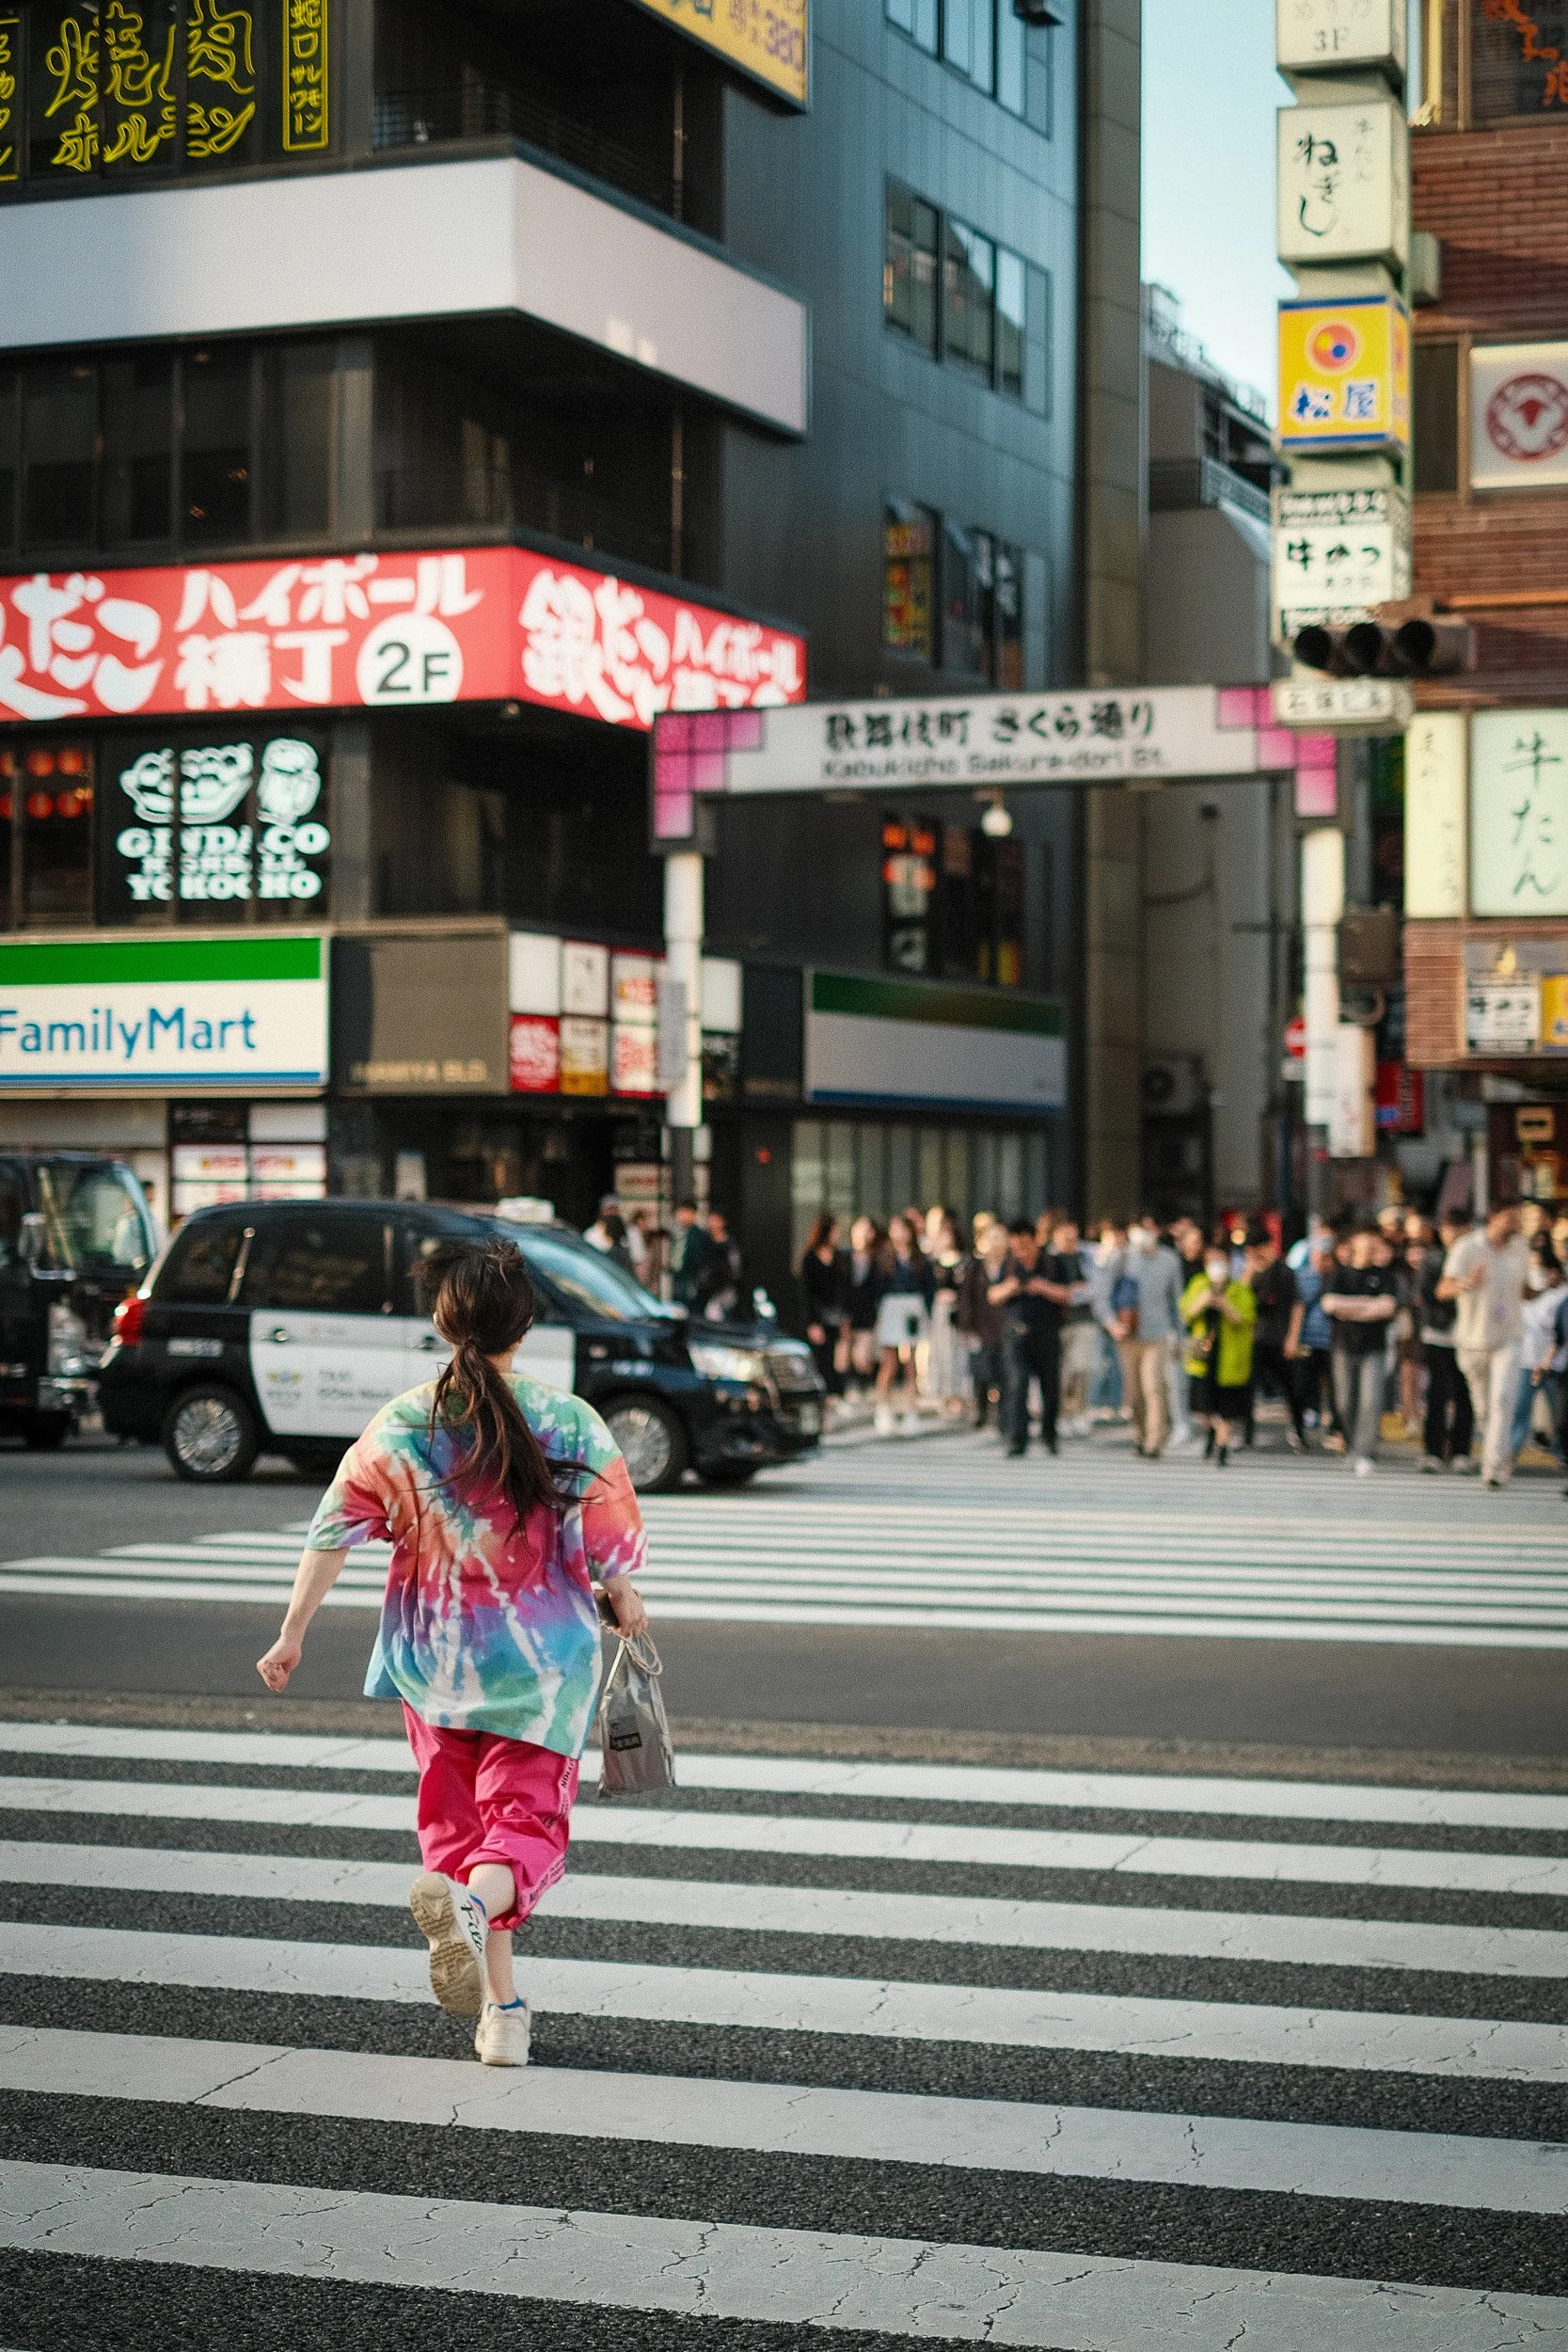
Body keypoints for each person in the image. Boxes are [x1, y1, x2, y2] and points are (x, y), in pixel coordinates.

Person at [256, 1237, 648, 2070]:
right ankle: (484, 1950)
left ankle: (502, 2013)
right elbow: (611, 1553)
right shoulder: (569, 1421)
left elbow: (332, 1531)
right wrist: (625, 1603)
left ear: (442, 1324)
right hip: (540, 1672)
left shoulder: (402, 1423)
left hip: (430, 1665)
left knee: (459, 1834)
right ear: (526, 1323)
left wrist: (292, 1633)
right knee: (521, 1833)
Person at [1441, 1200, 1530, 1488]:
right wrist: (1466, 1283)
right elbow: (1443, 1289)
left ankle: (1493, 1468)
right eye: (1512, 1216)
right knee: (1483, 1409)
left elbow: (1524, 1289)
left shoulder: (1521, 1248)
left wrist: (1545, 1285)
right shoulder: (1467, 1247)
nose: (1517, 1223)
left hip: (1510, 1336)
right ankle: (1498, 1455)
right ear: (1495, 1216)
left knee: (1502, 1399)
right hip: (1473, 1338)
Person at [990, 1216, 1079, 1456]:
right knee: (1017, 1384)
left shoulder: (1052, 1263)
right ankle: (1018, 1439)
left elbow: (1067, 1294)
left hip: (1047, 1334)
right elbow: (994, 1295)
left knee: (1050, 1387)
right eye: (1016, 1246)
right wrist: (1012, 1287)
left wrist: (1043, 1288)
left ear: (1034, 1241)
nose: (1020, 1251)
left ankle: (1049, 1435)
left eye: (1025, 1245)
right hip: (1016, 1334)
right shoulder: (1008, 1265)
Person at [1323, 1217, 1399, 1475]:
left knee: (1371, 1400)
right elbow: (1329, 1304)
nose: (1369, 1243)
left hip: (1373, 1346)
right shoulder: (1340, 1273)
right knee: (1344, 1401)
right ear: (1353, 1242)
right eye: (1364, 1237)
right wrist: (1368, 1306)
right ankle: (1352, 1445)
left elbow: (1387, 1307)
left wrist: (1349, 1308)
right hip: (1343, 1345)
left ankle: (1365, 1452)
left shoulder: (1383, 1275)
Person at [1180, 1239, 1257, 1467]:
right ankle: (1213, 1433)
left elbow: (1247, 1318)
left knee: (1227, 1405)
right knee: (1202, 1406)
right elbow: (1185, 1312)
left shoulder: (1239, 1289)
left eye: (1221, 1261)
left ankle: (1221, 1446)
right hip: (1202, 1356)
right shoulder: (1198, 1284)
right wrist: (1203, 1302)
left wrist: (1225, 1305)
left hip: (1229, 1357)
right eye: (1212, 1261)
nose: (1216, 1266)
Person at [1116, 1213, 1185, 1458]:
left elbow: (1177, 1301)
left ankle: (1154, 1441)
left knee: (1154, 1387)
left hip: (1157, 1334)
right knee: (1133, 1395)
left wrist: (1180, 1336)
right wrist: (1111, 1323)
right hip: (1128, 1335)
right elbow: (1103, 1296)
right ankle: (1140, 1434)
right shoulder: (1122, 1257)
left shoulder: (1170, 1260)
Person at [1418, 1208, 1475, 1472]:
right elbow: (1427, 1294)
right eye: (1446, 1229)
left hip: (1469, 1335)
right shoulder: (1433, 1259)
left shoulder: (1474, 1258)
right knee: (1437, 1394)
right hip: (1439, 1332)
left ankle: (1461, 1450)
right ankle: (1433, 1451)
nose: (1450, 1235)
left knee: (1465, 1394)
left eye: (1456, 1229)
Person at [873, 1213, 936, 1434]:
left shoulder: (921, 1260)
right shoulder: (884, 1259)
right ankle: (883, 1408)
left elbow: (929, 1288)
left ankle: (911, 1411)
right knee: (889, 1363)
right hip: (892, 1308)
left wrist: (925, 1311)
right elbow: (877, 1289)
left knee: (911, 1365)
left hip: (913, 1309)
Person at [1246, 1222, 1305, 1450]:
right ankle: (1248, 1434)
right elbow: (1239, 1298)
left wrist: (1293, 1338)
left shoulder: (1284, 1272)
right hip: (1254, 1338)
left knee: (1291, 1388)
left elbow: (1297, 1306)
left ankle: (1298, 1429)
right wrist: (1250, 1270)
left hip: (1279, 1337)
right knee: (1248, 1389)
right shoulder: (1250, 1273)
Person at [1511, 1235, 1566, 1467]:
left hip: (1555, 1364)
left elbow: (1558, 1331)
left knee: (1561, 1415)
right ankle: (1510, 1453)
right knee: (1520, 1412)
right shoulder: (1523, 1294)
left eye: (1540, 1267)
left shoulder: (1561, 1295)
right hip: (1527, 1360)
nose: (1537, 1273)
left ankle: (1562, 1453)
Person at [956, 1214, 1009, 1427]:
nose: (996, 1243)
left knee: (1006, 1372)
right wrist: (966, 1327)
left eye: (1000, 1238)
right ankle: (982, 1411)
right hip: (981, 1325)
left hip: (1005, 1326)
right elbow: (966, 1298)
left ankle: (1005, 1415)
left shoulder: (1011, 1267)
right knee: (981, 1371)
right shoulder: (975, 1267)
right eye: (992, 1238)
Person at [1052, 1215, 1098, 1437]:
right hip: (1058, 1322)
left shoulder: (1086, 1256)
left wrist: (1079, 1290)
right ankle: (1060, 1414)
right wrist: (1068, 1292)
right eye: (1066, 1237)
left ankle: (1078, 1412)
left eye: (1074, 1237)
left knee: (1081, 1369)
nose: (1071, 1242)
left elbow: (1097, 1285)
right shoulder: (1049, 1259)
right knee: (1061, 1372)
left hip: (1083, 1320)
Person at [925, 1211, 970, 1417]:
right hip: (939, 1313)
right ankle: (943, 1395)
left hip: (958, 1312)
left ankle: (958, 1396)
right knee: (940, 1353)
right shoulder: (934, 1263)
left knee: (957, 1353)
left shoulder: (965, 1262)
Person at [799, 1213, 848, 1397]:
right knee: (821, 1360)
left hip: (837, 1316)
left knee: (838, 1360)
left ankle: (836, 1395)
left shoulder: (839, 1257)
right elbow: (806, 1293)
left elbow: (843, 1288)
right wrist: (811, 1322)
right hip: (819, 1317)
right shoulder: (810, 1258)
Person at [844, 1216, 883, 1394]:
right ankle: (847, 1391)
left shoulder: (877, 1259)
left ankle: (864, 1388)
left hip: (866, 1314)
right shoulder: (844, 1256)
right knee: (846, 1355)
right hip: (847, 1313)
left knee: (863, 1356)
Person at [669, 1200, 714, 1315]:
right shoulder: (677, 1233)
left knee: (690, 1309)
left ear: (692, 1214)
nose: (680, 1215)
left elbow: (702, 1259)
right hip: (678, 1276)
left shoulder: (699, 1235)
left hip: (692, 1279)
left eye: (684, 1212)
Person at [701, 1208, 742, 1321]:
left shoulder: (730, 1243)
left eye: (716, 1220)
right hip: (706, 1288)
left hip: (725, 1288)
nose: (713, 1224)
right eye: (711, 1220)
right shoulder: (704, 1241)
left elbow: (735, 1267)